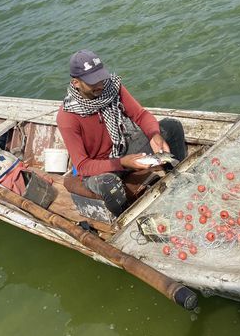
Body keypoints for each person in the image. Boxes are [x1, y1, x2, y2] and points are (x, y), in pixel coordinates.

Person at [56, 50, 186, 217]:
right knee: (109, 184)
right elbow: (83, 166)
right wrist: (123, 163)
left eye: (101, 78)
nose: (100, 85)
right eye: (92, 82)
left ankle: (178, 181)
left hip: (122, 148)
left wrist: (154, 135)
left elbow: (140, 115)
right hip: (100, 168)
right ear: (76, 83)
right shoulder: (67, 117)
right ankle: (128, 217)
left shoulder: (112, 88)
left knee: (172, 126)